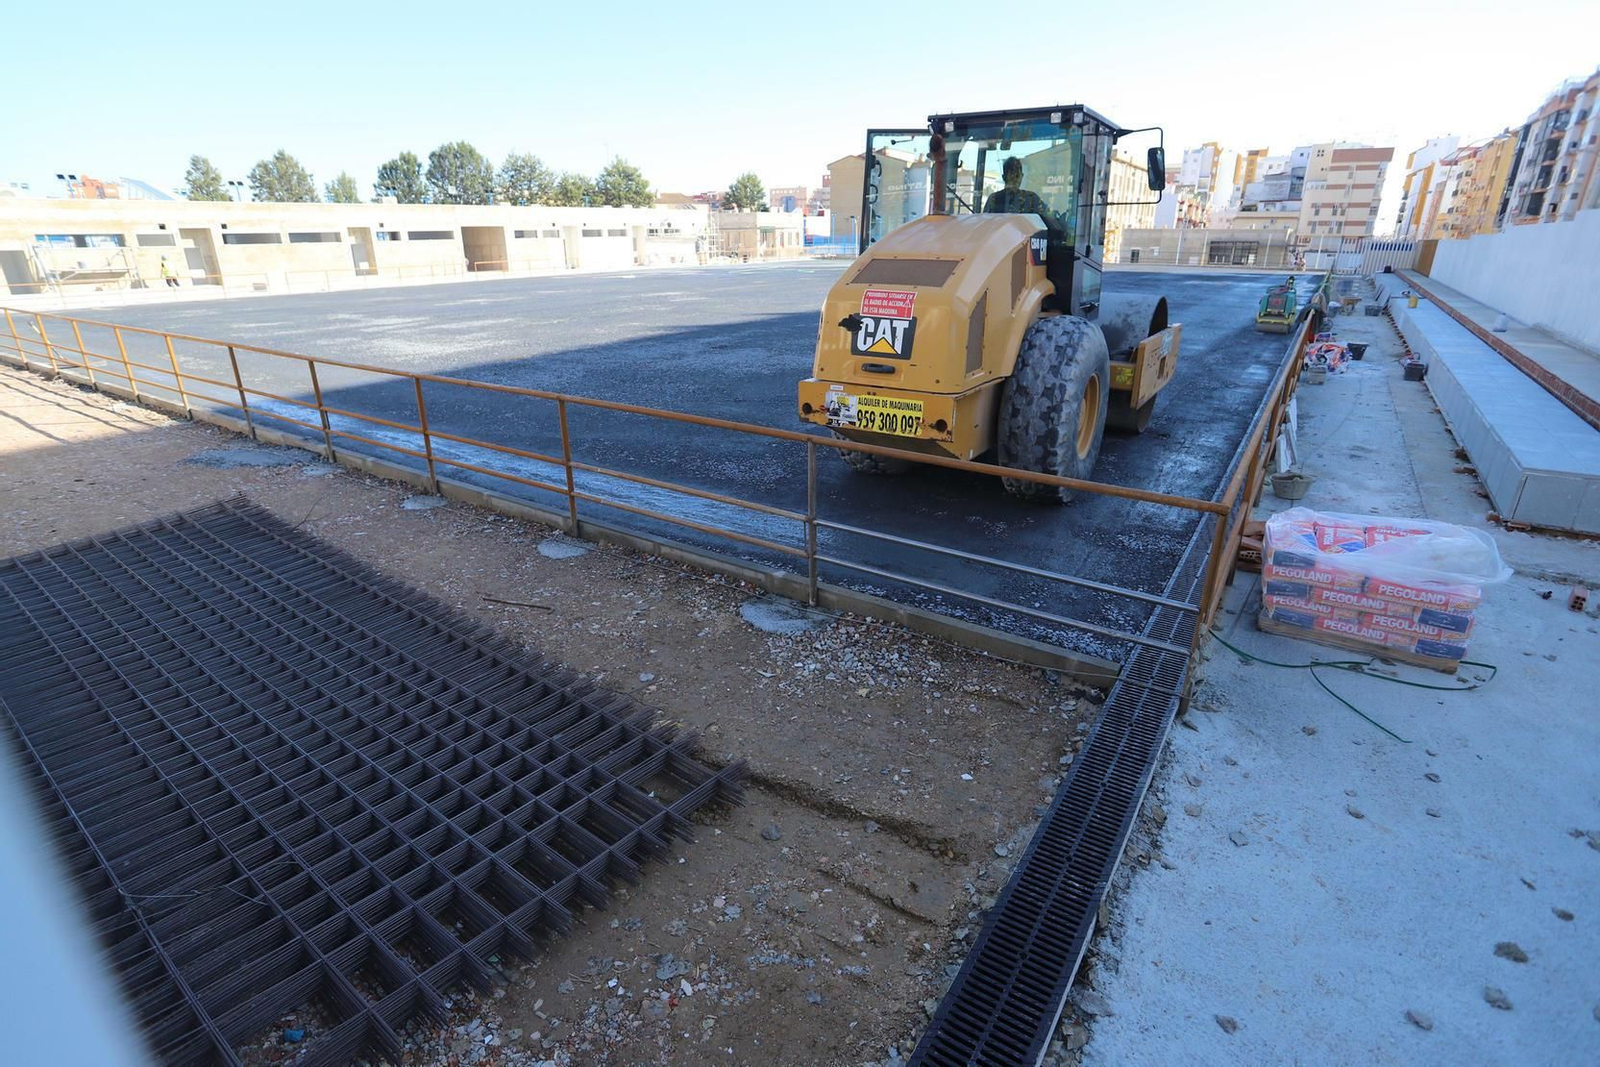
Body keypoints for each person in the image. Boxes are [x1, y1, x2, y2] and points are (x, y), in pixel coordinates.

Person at [984, 157, 1053, 220]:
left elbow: (985, 225)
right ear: (1021, 176)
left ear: (1003, 177)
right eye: (1015, 175)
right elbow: (1048, 220)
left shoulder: (993, 199)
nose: (1014, 177)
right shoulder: (1032, 198)